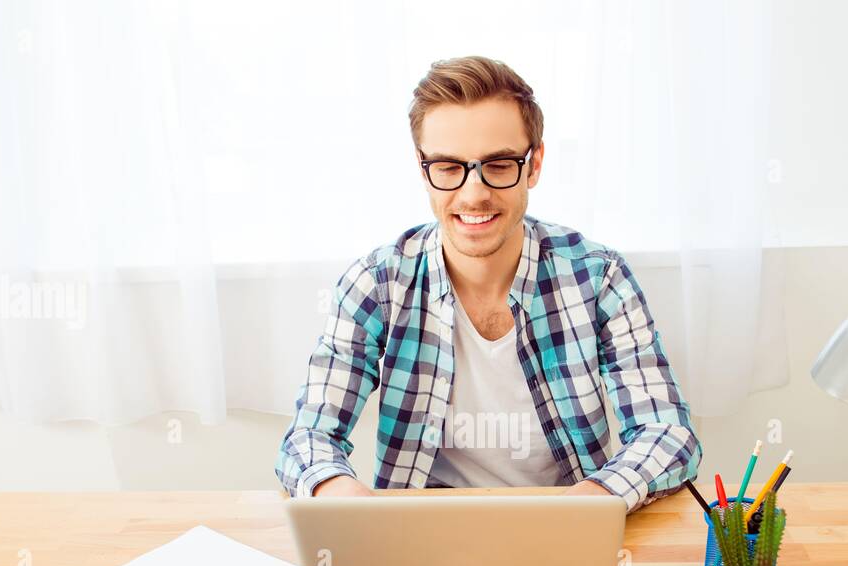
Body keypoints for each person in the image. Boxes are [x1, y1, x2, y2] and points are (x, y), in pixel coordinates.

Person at [275, 55, 700, 512]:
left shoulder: (599, 278)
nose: (473, 193)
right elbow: (309, 437)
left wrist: (594, 500)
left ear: (534, 164)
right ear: (423, 170)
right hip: (421, 534)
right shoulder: (377, 283)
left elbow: (668, 432)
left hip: (561, 527)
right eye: (448, 166)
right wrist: (342, 494)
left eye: (498, 164)